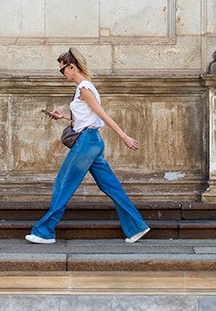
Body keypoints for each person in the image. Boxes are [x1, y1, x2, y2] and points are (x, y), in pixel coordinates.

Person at [26, 52, 152, 246]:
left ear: (71, 67)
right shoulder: (82, 88)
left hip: (87, 142)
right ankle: (136, 226)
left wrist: (124, 136)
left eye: (62, 70)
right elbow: (87, 116)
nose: (62, 75)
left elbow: (102, 115)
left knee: (64, 182)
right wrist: (64, 115)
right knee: (109, 186)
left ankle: (45, 231)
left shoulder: (84, 88)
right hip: (92, 141)